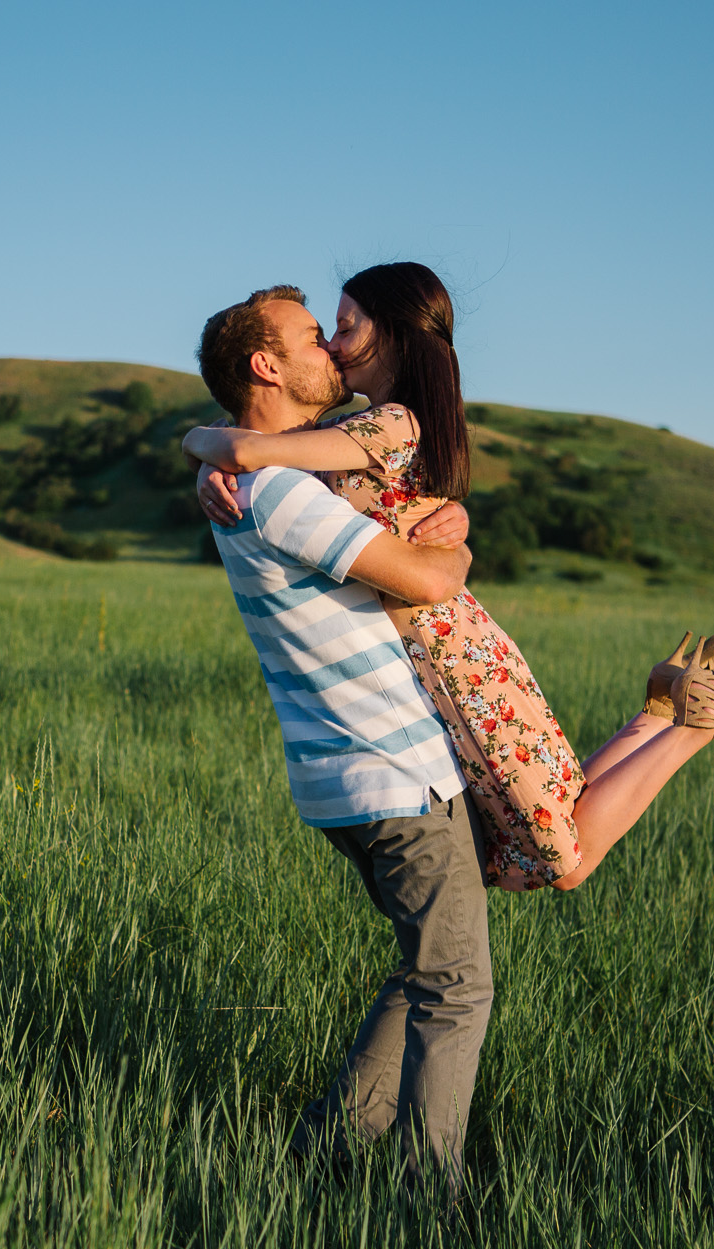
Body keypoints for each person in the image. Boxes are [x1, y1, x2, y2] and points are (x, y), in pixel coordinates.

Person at [188, 263, 714, 893]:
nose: (334, 347)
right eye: (327, 334)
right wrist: (215, 459)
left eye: (343, 329)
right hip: (428, 663)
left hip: (456, 655)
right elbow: (262, 448)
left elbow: (252, 451)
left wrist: (201, 446)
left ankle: (695, 724)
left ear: (392, 333)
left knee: (559, 863)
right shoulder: (339, 432)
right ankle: (659, 712)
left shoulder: (393, 423)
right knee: (526, 839)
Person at [192, 284, 492, 1197]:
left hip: (345, 777)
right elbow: (426, 582)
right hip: (393, 771)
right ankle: (426, 1195)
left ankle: (333, 1145)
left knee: (426, 965)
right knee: (457, 986)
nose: (332, 351)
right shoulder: (281, 491)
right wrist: (459, 551)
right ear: (266, 365)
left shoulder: (259, 483)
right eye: (310, 339)